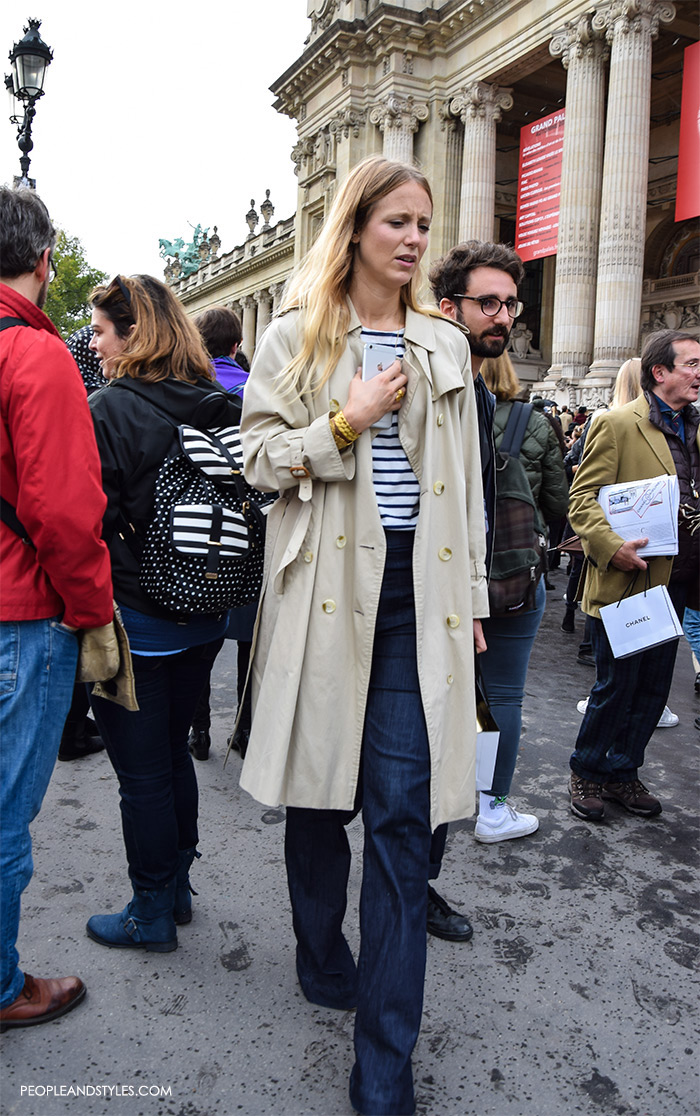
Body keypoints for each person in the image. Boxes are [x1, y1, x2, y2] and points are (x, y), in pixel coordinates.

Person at [239, 157, 488, 1116]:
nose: (416, 239)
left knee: (398, 822)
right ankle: (318, 949)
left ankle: (382, 1065)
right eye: (398, 221)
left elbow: (460, 486)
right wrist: (343, 424)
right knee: (316, 803)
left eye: (424, 223)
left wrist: (466, 604)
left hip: (415, 609)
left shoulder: (445, 344)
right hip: (324, 599)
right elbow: (258, 460)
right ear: (356, 228)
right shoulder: (298, 337)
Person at [85, 275, 240, 950]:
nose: (93, 344)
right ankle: (176, 885)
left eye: (99, 330)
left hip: (140, 618)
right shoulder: (217, 403)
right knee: (173, 751)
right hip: (206, 609)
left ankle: (150, 909)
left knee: (141, 772)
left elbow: (94, 519)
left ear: (132, 333)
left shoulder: (110, 408)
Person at [0, 187, 113, 1030]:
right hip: (20, 613)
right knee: (4, 815)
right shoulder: (37, 358)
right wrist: (91, 608)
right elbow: (67, 513)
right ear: (46, 260)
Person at [429, 239, 567, 843]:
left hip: (497, 577)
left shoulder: (482, 396)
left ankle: (460, 804)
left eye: (510, 305)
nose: (505, 316)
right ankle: (487, 806)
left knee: (479, 694)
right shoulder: (436, 387)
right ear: (447, 306)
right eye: (488, 303)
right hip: (466, 578)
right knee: (493, 694)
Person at [567, 329, 700, 820]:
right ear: (659, 372)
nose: (699, 373)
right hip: (629, 580)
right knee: (616, 686)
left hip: (678, 582)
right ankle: (585, 774)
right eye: (691, 364)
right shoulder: (618, 423)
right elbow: (581, 498)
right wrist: (611, 547)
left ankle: (623, 773)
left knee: (653, 687)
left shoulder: (695, 427)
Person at [186, 306, 253, 762]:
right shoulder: (255, 390)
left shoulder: (185, 389)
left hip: (194, 532)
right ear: (235, 346)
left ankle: (200, 727)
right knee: (249, 636)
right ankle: (244, 729)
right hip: (250, 528)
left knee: (201, 639)